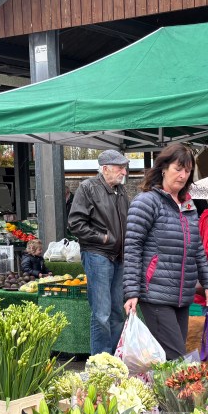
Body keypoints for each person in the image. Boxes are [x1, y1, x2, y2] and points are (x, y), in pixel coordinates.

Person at [124, 143, 208, 360]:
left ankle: (163, 393)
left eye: (187, 170)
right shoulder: (147, 202)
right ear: (163, 168)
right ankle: (184, 394)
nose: (183, 175)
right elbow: (132, 247)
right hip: (155, 294)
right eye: (178, 168)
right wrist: (131, 291)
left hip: (182, 296)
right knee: (177, 358)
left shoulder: (188, 205)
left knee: (170, 359)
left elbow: (197, 249)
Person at [69, 150, 131, 355]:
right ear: (105, 169)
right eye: (120, 167)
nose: (124, 171)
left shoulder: (121, 191)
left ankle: (114, 358)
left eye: (124, 167)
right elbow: (75, 223)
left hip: (118, 256)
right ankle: (100, 361)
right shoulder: (87, 188)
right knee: (101, 314)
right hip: (98, 254)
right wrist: (102, 238)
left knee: (116, 313)